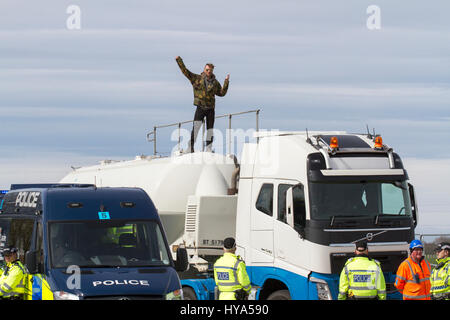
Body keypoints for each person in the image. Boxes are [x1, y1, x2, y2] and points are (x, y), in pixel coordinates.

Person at [175, 56, 230, 153]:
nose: (208, 71)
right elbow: (185, 71)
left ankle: (208, 148)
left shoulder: (215, 83)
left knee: (210, 129)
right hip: (200, 107)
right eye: (207, 69)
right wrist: (179, 60)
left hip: (210, 109)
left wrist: (226, 82)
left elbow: (221, 93)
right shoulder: (197, 79)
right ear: (204, 70)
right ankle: (190, 147)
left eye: (210, 70)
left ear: (212, 71)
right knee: (196, 127)